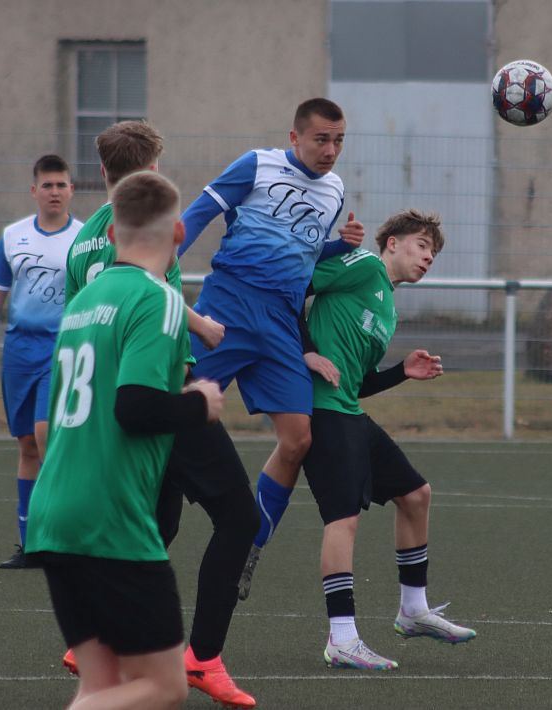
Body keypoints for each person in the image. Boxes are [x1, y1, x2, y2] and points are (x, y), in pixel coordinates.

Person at [60, 120, 258, 708]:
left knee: (157, 524)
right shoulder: (149, 230)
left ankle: (98, 637)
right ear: (152, 172)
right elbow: (148, 296)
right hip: (159, 388)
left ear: (102, 171)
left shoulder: (83, 241)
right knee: (239, 518)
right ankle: (204, 658)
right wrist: (202, 329)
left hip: (109, 395)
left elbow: (92, 314)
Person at [27, 170, 222, 710]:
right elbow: (135, 408)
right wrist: (200, 403)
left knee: (102, 689)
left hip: (55, 512)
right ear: (179, 233)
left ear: (111, 234)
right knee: (165, 686)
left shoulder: (82, 302)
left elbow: (57, 414)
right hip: (110, 520)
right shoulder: (159, 299)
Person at [177, 98, 364, 598]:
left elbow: (303, 252)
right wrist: (156, 267)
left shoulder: (334, 190)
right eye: (321, 139)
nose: (331, 150)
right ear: (295, 137)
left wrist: (340, 246)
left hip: (281, 322)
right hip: (229, 305)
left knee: (299, 439)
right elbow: (198, 215)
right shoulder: (257, 164)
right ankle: (135, 519)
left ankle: (249, 547)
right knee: (177, 409)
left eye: (339, 140)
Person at [298, 210, 477, 670]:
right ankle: (341, 638)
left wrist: (402, 372)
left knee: (416, 495)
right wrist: (307, 352)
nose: (428, 257)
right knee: (343, 520)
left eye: (433, 253)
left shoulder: (387, 310)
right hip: (321, 412)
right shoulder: (362, 265)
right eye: (422, 245)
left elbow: (356, 384)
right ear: (392, 243)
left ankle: (413, 611)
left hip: (348, 411)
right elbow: (290, 288)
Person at [0, 154, 83, 569]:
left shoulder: (85, 239)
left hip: (63, 349)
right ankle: (30, 543)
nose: (54, 192)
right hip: (19, 352)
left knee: (47, 435)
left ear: (72, 190)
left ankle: (61, 537)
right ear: (34, 191)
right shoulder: (14, 237)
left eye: (61, 185)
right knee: (27, 445)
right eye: (47, 185)